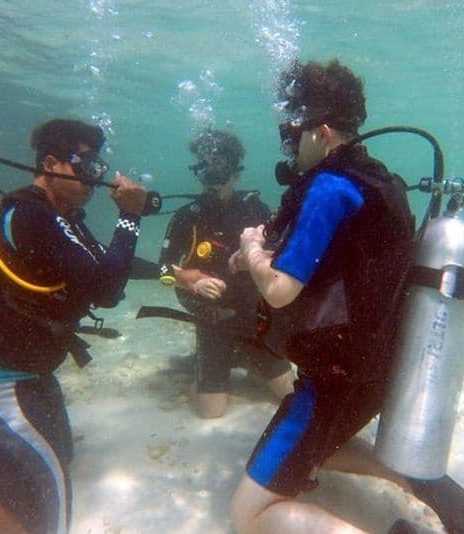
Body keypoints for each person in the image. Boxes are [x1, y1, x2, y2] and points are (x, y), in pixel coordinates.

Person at [227, 59, 416, 532]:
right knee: (312, 450)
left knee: (247, 517)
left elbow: (279, 292)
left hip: (331, 382)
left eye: (295, 132)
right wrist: (252, 255)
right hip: (377, 372)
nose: (290, 145)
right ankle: (403, 476)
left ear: (323, 130)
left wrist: (251, 248)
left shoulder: (330, 186)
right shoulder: (379, 181)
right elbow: (342, 261)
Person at [0, 118, 148, 533]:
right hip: (1, 383)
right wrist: (130, 218)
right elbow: (106, 289)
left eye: (97, 169)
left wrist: (173, 273)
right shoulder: (30, 215)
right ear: (51, 163)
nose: (94, 178)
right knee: (45, 514)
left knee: (61, 458)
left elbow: (103, 266)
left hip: (33, 378)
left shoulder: (62, 216)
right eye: (84, 167)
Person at [158, 129, 294, 419]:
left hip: (253, 321)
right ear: (198, 172)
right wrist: (191, 280)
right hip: (212, 324)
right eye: (205, 171)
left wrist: (259, 258)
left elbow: (283, 257)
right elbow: (162, 266)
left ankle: (246, 356)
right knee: (211, 414)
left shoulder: (255, 209)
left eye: (220, 171)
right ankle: (214, 362)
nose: (213, 180)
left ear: (236, 173)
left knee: (291, 396)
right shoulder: (186, 216)